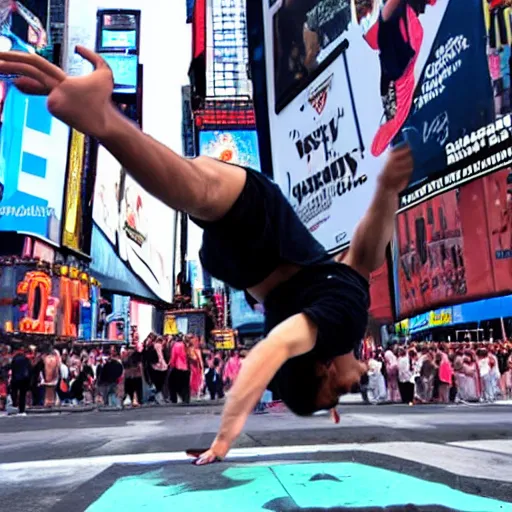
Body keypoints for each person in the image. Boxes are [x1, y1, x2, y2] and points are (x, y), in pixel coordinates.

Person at [0, 47, 414, 464]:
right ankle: (89, 110)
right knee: (193, 191)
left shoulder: (339, 325)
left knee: (195, 187)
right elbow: (365, 252)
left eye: (343, 388)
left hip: (263, 228)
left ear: (324, 367)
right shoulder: (341, 315)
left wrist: (225, 437)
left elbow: (273, 350)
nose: (358, 377)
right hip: (239, 263)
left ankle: (100, 117)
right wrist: (386, 194)